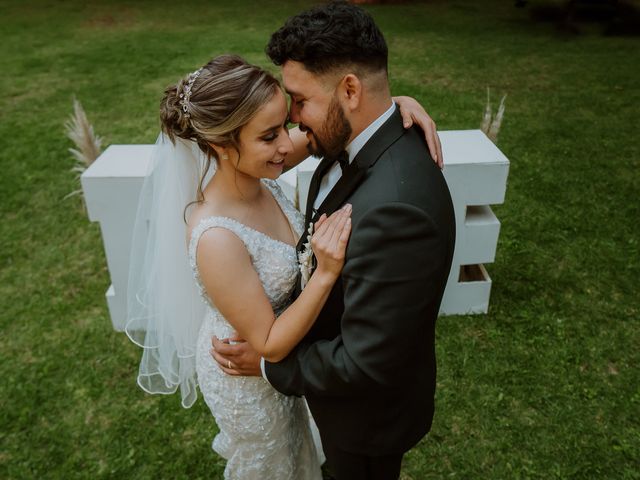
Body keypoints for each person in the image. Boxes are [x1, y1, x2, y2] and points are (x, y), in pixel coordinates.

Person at [125, 52, 442, 478]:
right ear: (221, 145)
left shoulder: (257, 164)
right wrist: (326, 272)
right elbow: (270, 343)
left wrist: (393, 104)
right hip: (246, 374)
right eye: (271, 134)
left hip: (283, 357)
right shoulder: (216, 238)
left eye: (284, 126)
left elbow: (332, 131)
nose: (288, 142)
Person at [211, 3, 457, 479]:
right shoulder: (350, 136)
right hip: (324, 391)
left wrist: (266, 366)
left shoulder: (397, 211)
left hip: (364, 424)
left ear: (349, 89)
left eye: (300, 101)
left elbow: (364, 364)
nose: (293, 119)